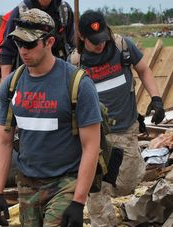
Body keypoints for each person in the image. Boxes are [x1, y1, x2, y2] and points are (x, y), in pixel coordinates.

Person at [0, 9, 102, 226]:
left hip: (65, 182)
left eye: (30, 44)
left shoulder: (78, 84)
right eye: (18, 43)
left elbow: (91, 146)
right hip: (27, 184)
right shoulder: (12, 85)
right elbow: (4, 140)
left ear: (49, 41)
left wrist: (78, 201)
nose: (23, 50)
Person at [69, 10, 166, 226]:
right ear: (82, 38)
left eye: (103, 38)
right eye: (94, 42)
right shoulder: (75, 62)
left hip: (126, 129)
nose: (100, 45)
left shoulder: (122, 46)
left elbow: (144, 71)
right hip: (95, 135)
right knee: (96, 187)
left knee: (128, 182)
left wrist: (157, 100)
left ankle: (109, 192)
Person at [0, 0, 75, 80]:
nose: (23, 51)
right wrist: (5, 82)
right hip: (28, 74)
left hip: (59, 73)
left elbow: (72, 43)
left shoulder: (64, 10)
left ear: (50, 42)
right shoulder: (21, 11)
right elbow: (7, 49)